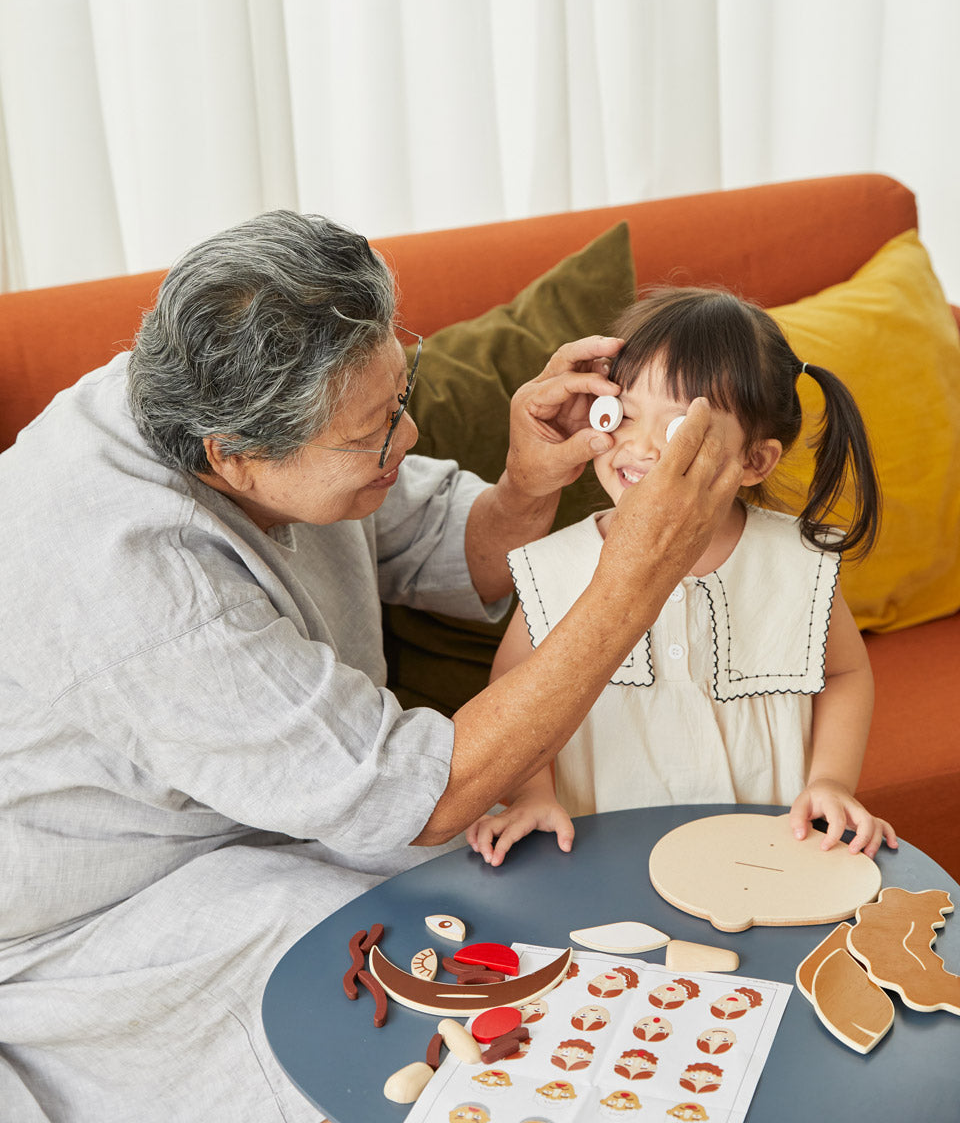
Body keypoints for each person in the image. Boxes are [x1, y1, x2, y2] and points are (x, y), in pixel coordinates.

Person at [0, 213, 742, 1122]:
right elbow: (416, 796)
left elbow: (418, 536)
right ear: (230, 457)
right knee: (409, 1017)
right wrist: (640, 574)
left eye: (400, 392)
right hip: (113, 905)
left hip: (288, 804)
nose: (409, 434)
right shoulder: (135, 582)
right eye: (373, 434)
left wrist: (519, 494)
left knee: (516, 926)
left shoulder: (198, 373)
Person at [467, 286, 899, 868]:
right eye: (623, 413)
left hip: (763, 855)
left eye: (679, 430)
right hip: (597, 850)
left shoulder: (795, 559)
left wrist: (831, 782)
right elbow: (513, 695)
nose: (639, 445)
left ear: (754, 461)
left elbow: (845, 673)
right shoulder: (556, 566)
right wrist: (532, 793)